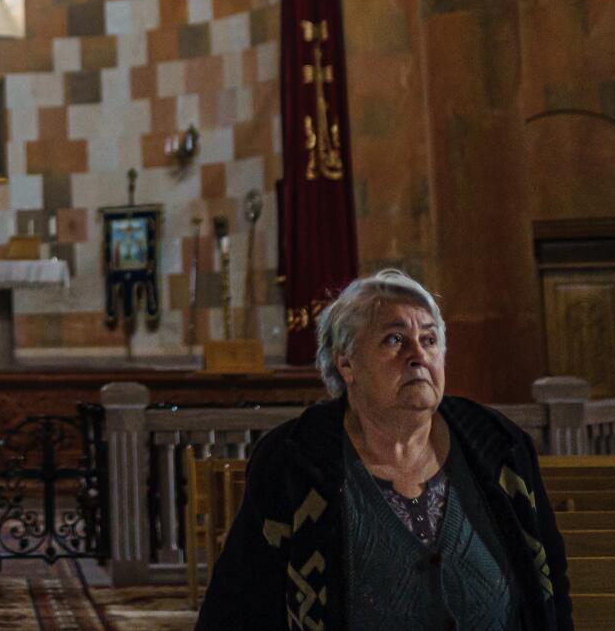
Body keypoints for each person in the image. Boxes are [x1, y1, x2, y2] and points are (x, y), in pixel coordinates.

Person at [196, 269, 572, 631]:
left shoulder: (499, 446)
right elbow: (237, 607)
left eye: (429, 340)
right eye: (394, 340)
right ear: (346, 362)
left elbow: (550, 587)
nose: (417, 355)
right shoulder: (293, 460)